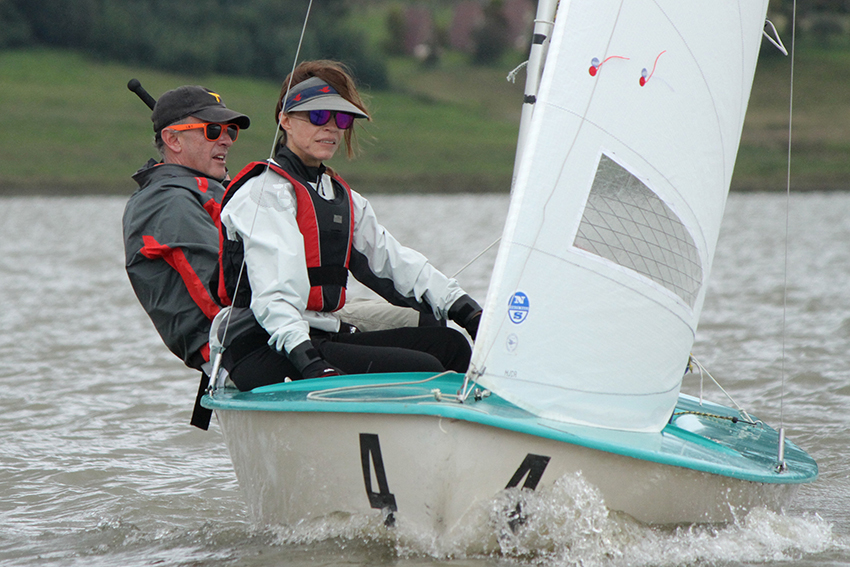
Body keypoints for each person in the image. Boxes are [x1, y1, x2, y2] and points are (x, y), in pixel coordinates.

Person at [214, 60, 482, 391]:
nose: (331, 128)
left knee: (452, 347)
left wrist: (467, 311)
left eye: (340, 119)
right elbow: (275, 295)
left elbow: (394, 261)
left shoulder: (341, 197)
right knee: (424, 368)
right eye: (317, 116)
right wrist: (309, 362)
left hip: (319, 335)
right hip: (264, 346)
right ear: (285, 120)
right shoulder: (263, 194)